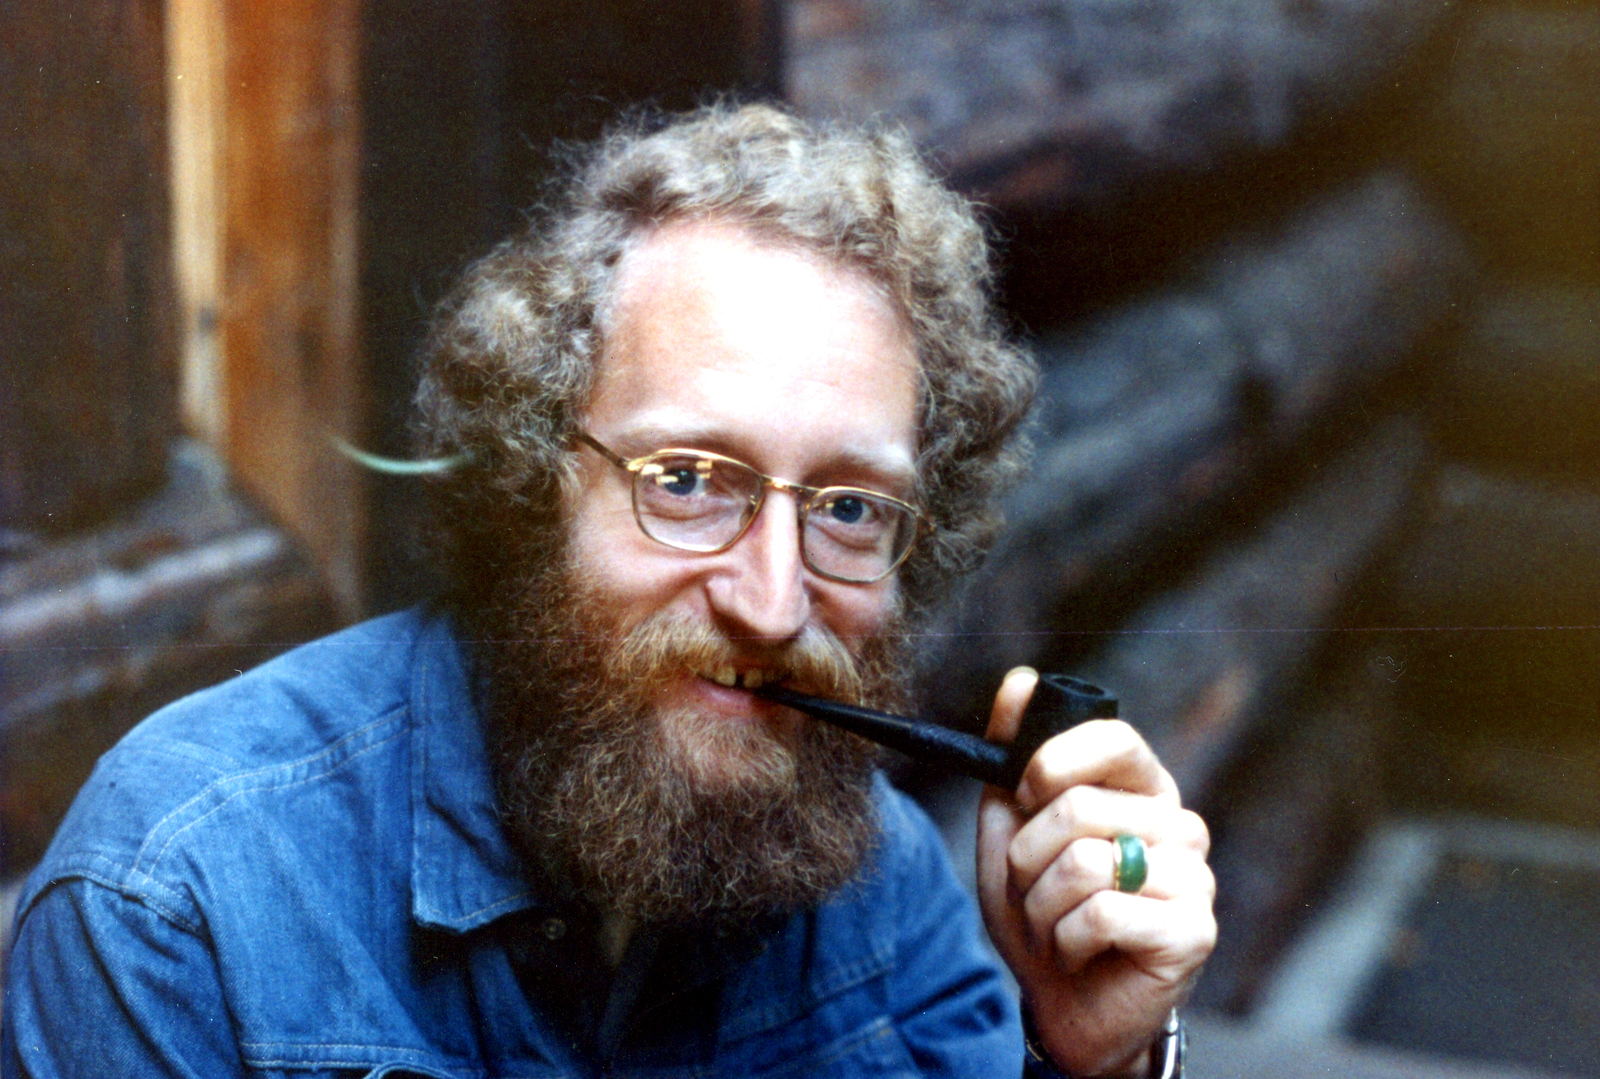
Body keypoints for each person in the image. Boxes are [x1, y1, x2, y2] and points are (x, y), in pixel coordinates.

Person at [3, 103, 1214, 1078]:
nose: (771, 602)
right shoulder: (178, 900)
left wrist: (1095, 1057)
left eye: (849, 507)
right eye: (685, 480)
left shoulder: (879, 879)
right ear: (532, 478)